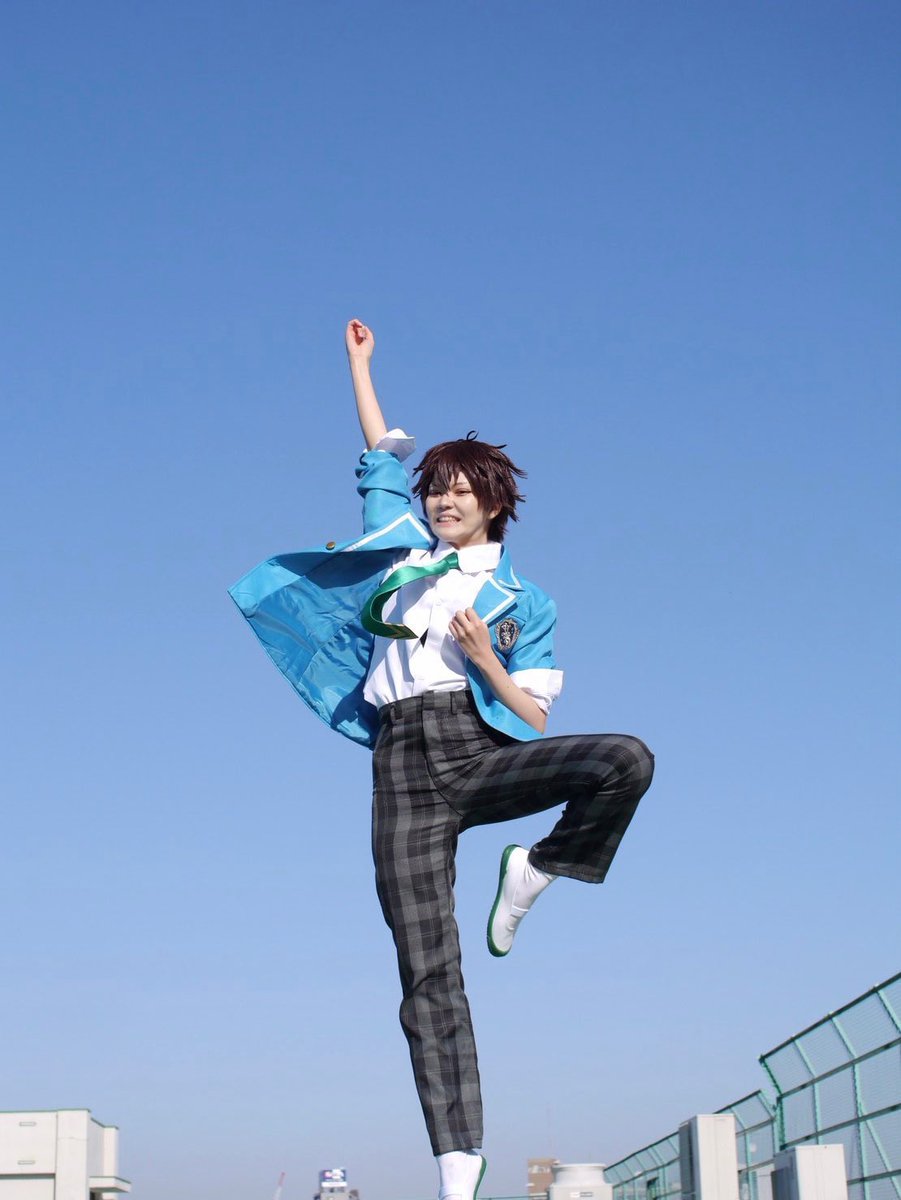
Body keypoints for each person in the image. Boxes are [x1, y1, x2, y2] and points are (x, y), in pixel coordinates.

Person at [229, 319, 655, 1200]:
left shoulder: (523, 598)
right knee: (427, 968)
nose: (442, 501)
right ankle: (456, 1169)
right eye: (435, 489)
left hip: (475, 749)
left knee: (624, 759)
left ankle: (539, 868)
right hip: (399, 770)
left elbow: (533, 712)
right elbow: (375, 458)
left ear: (494, 502)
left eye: (460, 490)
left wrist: (486, 657)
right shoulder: (400, 548)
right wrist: (360, 366)